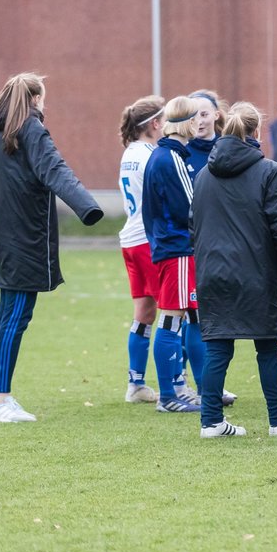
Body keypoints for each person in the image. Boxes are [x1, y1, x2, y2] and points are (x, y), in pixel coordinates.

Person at [0, 72, 103, 423]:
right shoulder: (31, 130)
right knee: (14, 319)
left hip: (2, 239)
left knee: (7, 317)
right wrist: (88, 206)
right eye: (44, 98)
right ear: (35, 100)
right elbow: (56, 170)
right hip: (24, 241)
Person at [191, 102, 277, 438]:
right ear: (256, 132)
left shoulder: (203, 175)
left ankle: (211, 421)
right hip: (257, 273)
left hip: (213, 272)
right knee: (269, 346)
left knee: (217, 347)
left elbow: (193, 227)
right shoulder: (270, 172)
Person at [141, 95, 206, 414]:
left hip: (168, 246)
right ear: (188, 122)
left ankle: (178, 388)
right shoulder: (172, 159)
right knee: (171, 319)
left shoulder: (163, 155)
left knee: (179, 318)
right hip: (178, 248)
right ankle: (168, 396)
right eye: (196, 118)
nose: (201, 124)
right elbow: (190, 208)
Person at [185, 88, 236, 407]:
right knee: (192, 315)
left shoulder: (228, 149)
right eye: (193, 115)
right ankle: (200, 386)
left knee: (219, 317)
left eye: (204, 113)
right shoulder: (183, 152)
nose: (199, 120)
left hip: (227, 246)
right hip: (192, 245)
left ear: (217, 114)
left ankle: (210, 383)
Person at [117, 95, 164, 405]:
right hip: (150, 240)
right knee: (179, 312)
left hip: (131, 240)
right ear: (156, 124)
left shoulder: (129, 153)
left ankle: (136, 384)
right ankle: (178, 384)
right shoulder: (151, 155)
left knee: (145, 313)